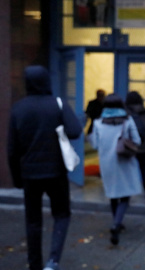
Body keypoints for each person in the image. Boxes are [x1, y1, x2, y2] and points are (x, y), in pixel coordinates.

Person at [8, 65, 82, 270]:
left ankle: (35, 265)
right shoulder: (57, 104)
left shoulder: (18, 109)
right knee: (62, 214)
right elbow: (75, 131)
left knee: (33, 221)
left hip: (30, 174)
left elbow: (12, 150)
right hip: (56, 172)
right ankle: (53, 261)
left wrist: (16, 179)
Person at [91, 93, 142, 245]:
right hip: (124, 161)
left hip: (107, 163)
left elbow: (94, 144)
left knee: (113, 194)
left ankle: (116, 222)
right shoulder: (127, 121)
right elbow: (137, 140)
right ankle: (116, 224)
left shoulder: (98, 123)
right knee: (125, 195)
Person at [125, 91, 145, 199]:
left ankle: (127, 194)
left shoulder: (126, 113)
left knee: (129, 169)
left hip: (130, 146)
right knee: (144, 168)